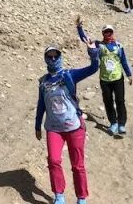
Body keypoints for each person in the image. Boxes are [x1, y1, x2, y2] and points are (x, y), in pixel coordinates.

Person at [35, 42, 99, 204]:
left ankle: (81, 198)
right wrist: (37, 126)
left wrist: (93, 53)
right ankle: (59, 195)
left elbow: (93, 68)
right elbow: (41, 105)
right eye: (49, 56)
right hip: (53, 128)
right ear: (45, 58)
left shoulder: (69, 75)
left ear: (60, 56)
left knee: (78, 165)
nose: (53, 59)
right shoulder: (43, 82)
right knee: (53, 161)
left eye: (55, 56)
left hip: (74, 126)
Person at [76, 19, 133, 135]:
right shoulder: (99, 45)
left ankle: (121, 124)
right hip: (105, 80)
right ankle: (113, 123)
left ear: (112, 32)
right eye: (106, 32)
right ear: (103, 33)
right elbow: (85, 40)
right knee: (108, 101)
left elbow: (123, 61)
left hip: (118, 78)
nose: (108, 34)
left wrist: (129, 74)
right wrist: (79, 28)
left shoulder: (119, 46)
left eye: (110, 31)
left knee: (120, 101)